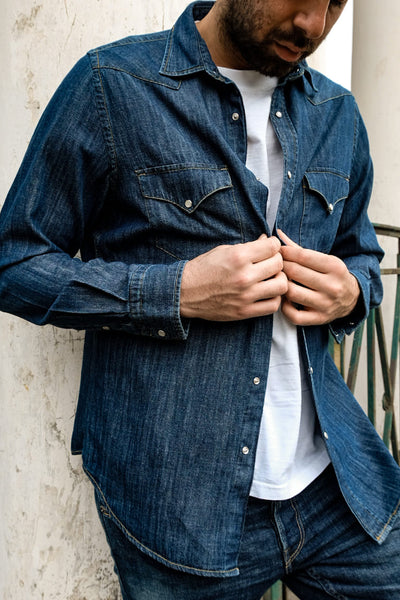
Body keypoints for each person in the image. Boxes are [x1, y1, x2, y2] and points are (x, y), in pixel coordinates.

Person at [1, 0, 400, 598]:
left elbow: (361, 254)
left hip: (334, 485)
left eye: (337, 3)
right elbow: (16, 261)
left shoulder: (337, 112)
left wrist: (351, 292)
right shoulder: (113, 86)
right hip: (179, 509)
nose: (313, 24)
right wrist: (177, 292)